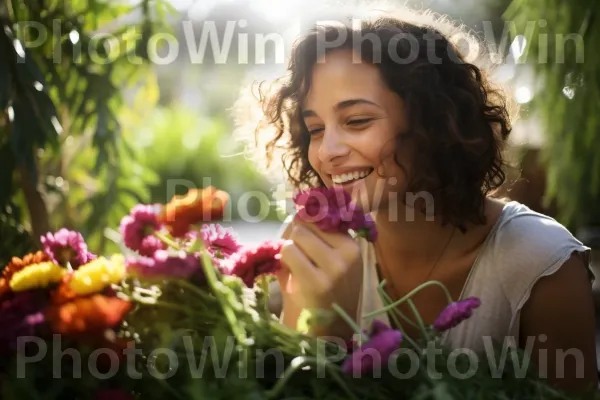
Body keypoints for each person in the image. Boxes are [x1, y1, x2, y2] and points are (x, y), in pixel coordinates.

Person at [234, 4, 598, 395]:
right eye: (316, 129)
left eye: (357, 121)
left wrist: (337, 337)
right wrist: (315, 331)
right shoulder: (317, 254)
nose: (326, 152)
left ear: (435, 122)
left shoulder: (542, 265)